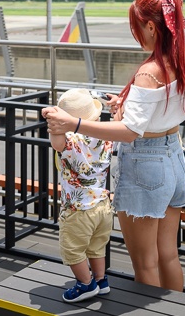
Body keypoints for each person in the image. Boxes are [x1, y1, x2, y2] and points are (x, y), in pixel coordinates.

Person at [42, 0, 185, 291]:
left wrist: (74, 122)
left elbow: (130, 131)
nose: (135, 34)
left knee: (145, 261)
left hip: (146, 165)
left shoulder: (148, 73)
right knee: (168, 256)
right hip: (173, 157)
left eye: (136, 27)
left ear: (151, 26)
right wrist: (126, 105)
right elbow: (167, 109)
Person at [48, 88, 114, 302]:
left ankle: (86, 284)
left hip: (78, 208)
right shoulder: (105, 136)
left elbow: (57, 144)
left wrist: (53, 126)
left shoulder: (71, 142)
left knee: (72, 249)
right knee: (97, 246)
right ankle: (101, 280)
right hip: (103, 204)